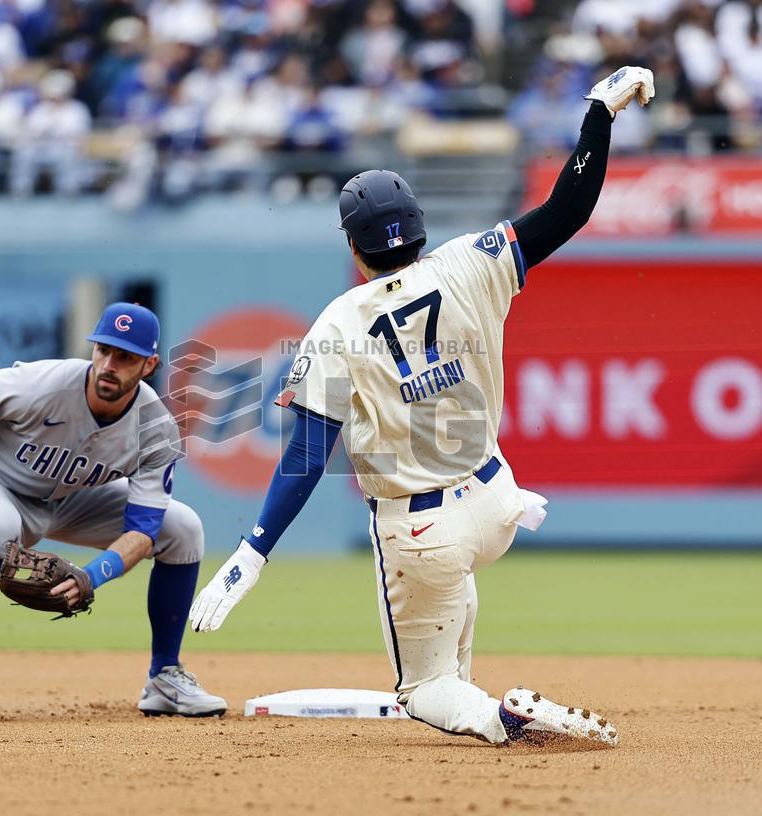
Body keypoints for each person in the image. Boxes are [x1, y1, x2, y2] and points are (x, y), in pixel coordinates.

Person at [190, 67, 656, 745]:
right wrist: (596, 117)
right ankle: (471, 699)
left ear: (353, 246)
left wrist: (254, 551)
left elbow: (309, 452)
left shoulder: (337, 323)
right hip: (498, 500)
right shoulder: (471, 261)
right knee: (449, 633)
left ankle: (503, 719)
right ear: (419, 226)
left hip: (422, 531)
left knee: (423, 691)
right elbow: (570, 209)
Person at [0, 303, 226, 722]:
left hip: (70, 499)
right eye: (104, 350)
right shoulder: (41, 383)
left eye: (126, 357)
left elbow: (144, 530)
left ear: (149, 364)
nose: (110, 365)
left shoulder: (157, 430)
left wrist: (91, 576)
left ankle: (164, 677)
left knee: (182, 528)